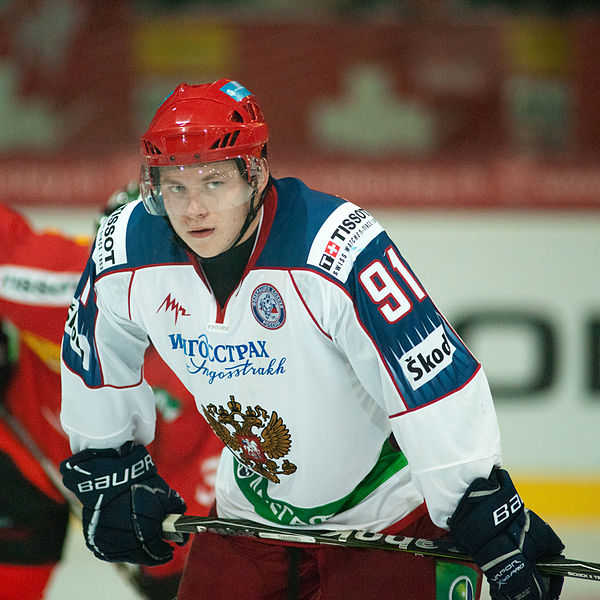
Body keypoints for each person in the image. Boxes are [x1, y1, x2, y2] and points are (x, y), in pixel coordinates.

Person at [59, 79, 565, 600]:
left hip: (388, 519)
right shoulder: (126, 245)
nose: (194, 210)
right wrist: (110, 463)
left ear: (253, 174)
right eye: (176, 186)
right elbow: (92, 352)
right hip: (248, 517)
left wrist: (485, 509)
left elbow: (429, 377)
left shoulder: (335, 246)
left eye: (214, 182)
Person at [0, 200, 222, 600]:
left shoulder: (221, 350)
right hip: (26, 455)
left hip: (133, 481)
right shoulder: (61, 285)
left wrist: (163, 565)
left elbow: (193, 489)